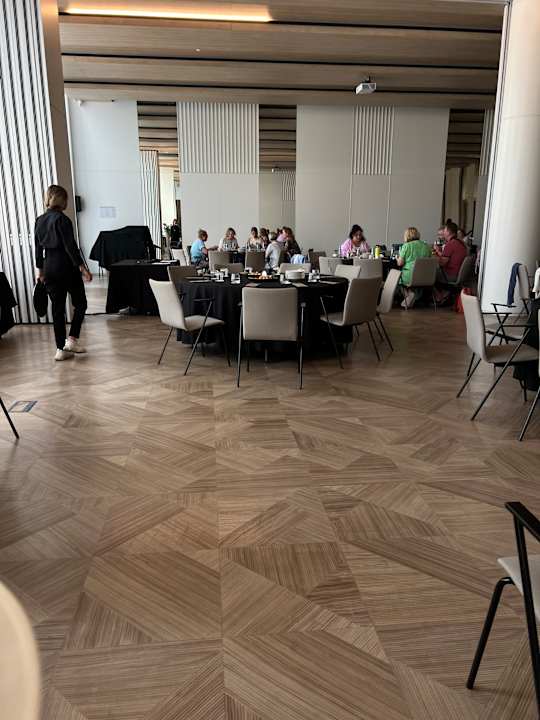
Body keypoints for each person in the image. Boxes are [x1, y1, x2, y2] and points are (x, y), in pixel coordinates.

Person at [34, 184, 92, 361]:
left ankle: (60, 349)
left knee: (57, 309)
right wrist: (82, 267)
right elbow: (70, 246)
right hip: (67, 267)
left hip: (49, 268)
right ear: (62, 200)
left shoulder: (39, 220)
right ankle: (72, 340)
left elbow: (38, 249)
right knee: (80, 303)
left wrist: (40, 271)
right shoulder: (63, 220)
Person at [396, 227, 432, 308]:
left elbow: (400, 263)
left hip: (410, 276)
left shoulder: (406, 246)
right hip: (425, 276)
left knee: (397, 278)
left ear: (407, 235)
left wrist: (397, 258)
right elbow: (430, 259)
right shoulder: (426, 246)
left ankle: (409, 294)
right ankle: (414, 297)